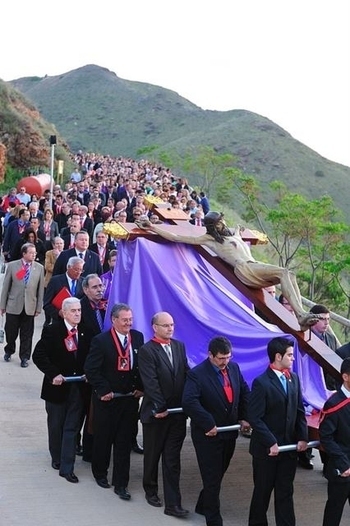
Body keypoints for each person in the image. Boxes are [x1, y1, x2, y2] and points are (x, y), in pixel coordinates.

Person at [137, 212, 320, 332]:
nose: (222, 224)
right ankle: (301, 315)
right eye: (218, 223)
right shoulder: (210, 239)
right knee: (283, 272)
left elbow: (238, 233)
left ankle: (300, 314)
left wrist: (239, 230)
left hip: (254, 264)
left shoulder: (233, 234)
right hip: (245, 269)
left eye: (222, 221)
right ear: (212, 226)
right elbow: (178, 237)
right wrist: (152, 227)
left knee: (289, 274)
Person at [182, 336, 250, 526]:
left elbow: (244, 392)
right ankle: (213, 518)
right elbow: (189, 401)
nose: (225, 362)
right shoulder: (197, 374)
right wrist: (207, 423)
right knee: (211, 475)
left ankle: (203, 504)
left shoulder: (234, 369)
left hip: (229, 432)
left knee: (219, 471)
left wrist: (245, 417)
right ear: (210, 355)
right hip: (208, 434)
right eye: (221, 358)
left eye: (228, 357)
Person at [84, 303, 144, 500]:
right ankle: (100, 473)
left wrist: (140, 387)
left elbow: (141, 366)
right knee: (104, 438)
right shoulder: (101, 341)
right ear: (114, 320)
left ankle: (121, 483)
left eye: (130, 320)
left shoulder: (137, 337)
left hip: (128, 400)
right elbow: (91, 369)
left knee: (124, 441)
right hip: (107, 399)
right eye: (125, 320)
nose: (129, 323)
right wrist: (104, 390)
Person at [248, 336, 308, 526]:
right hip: (266, 451)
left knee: (285, 492)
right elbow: (255, 418)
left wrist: (303, 437)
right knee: (262, 493)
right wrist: (271, 442)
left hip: (288, 449)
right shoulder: (261, 383)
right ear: (277, 356)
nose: (293, 358)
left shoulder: (294, 379)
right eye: (290, 355)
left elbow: (299, 411)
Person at [138, 311, 190, 518]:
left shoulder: (179, 346)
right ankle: (150, 490)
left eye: (172, 325)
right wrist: (161, 408)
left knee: (172, 459)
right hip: (156, 415)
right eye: (166, 325)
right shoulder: (147, 351)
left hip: (177, 414)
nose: (170, 328)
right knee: (152, 455)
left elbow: (185, 374)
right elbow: (150, 383)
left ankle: (173, 503)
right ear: (155, 327)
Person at [32, 298, 89, 483]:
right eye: (73, 311)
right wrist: (53, 374)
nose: (77, 314)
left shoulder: (85, 330)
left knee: (72, 427)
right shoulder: (52, 330)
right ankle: (56, 457)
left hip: (78, 387)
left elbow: (91, 356)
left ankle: (67, 467)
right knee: (56, 426)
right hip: (57, 388)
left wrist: (88, 373)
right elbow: (38, 355)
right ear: (64, 313)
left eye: (79, 310)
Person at [0, 243, 45, 368]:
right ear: (24, 253)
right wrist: (2, 305)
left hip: (29, 305)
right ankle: (9, 350)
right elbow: (6, 287)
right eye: (31, 252)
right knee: (11, 331)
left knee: (27, 334)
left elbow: (40, 289)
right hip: (13, 304)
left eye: (34, 252)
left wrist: (38, 307)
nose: (33, 255)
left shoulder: (39, 268)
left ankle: (25, 357)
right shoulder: (13, 266)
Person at [319, 357, 350, 526]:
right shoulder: (333, 403)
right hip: (342, 467)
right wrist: (343, 463)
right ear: (345, 377)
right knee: (334, 511)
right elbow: (326, 438)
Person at [43, 256, 85, 323]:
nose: (79, 272)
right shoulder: (55, 281)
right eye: (76, 269)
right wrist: (58, 313)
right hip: (60, 322)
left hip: (79, 322)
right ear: (68, 267)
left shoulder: (84, 282)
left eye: (81, 270)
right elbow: (46, 304)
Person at [309, 304, 339, 390]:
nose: (326, 323)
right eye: (322, 319)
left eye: (328, 319)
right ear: (313, 319)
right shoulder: (305, 336)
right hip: (312, 383)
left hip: (329, 385)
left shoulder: (331, 338)